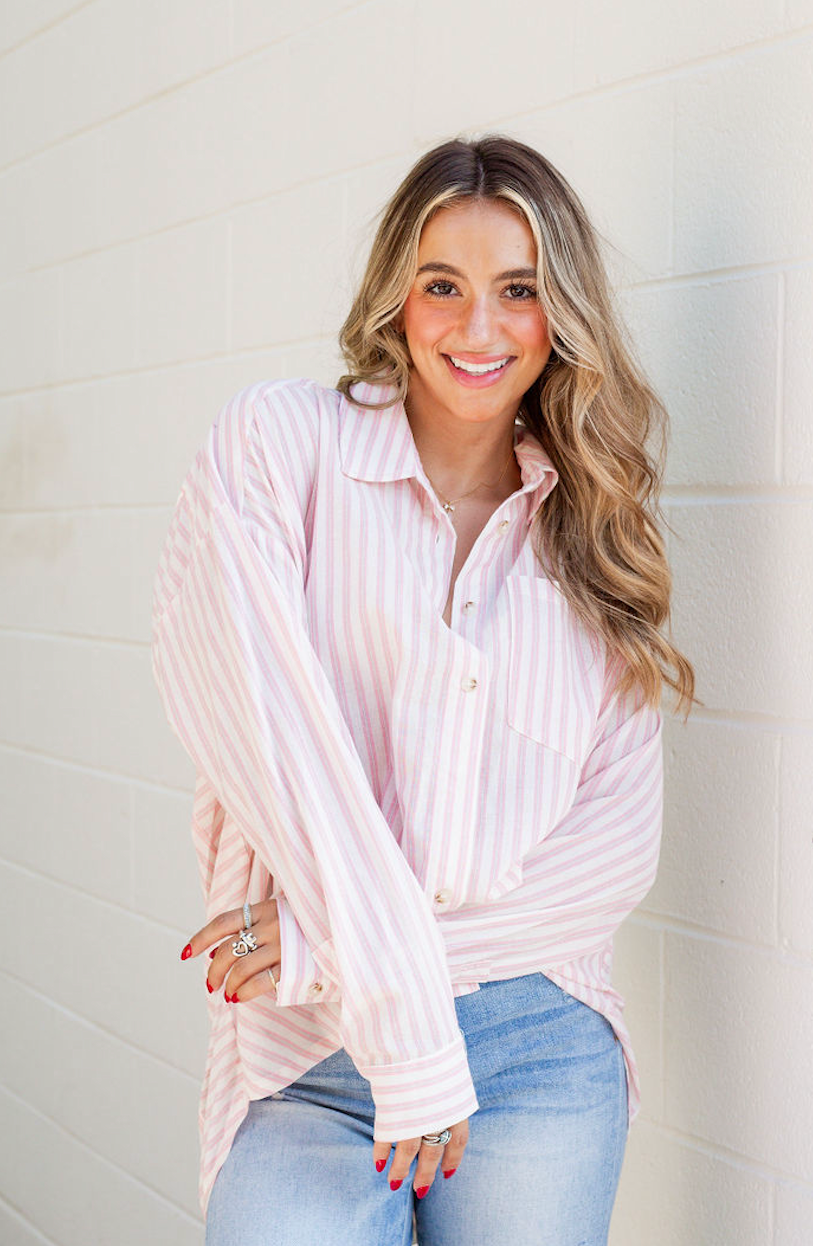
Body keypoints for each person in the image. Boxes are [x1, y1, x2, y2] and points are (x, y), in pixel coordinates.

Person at [151, 134, 696, 1245]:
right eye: (442, 284)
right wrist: (383, 1008)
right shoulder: (275, 450)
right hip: (313, 1056)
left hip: (533, 1048)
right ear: (395, 293)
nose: (477, 326)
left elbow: (605, 863)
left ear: (563, 315)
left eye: (519, 291)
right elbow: (268, 737)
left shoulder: (595, 542)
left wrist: (329, 940)